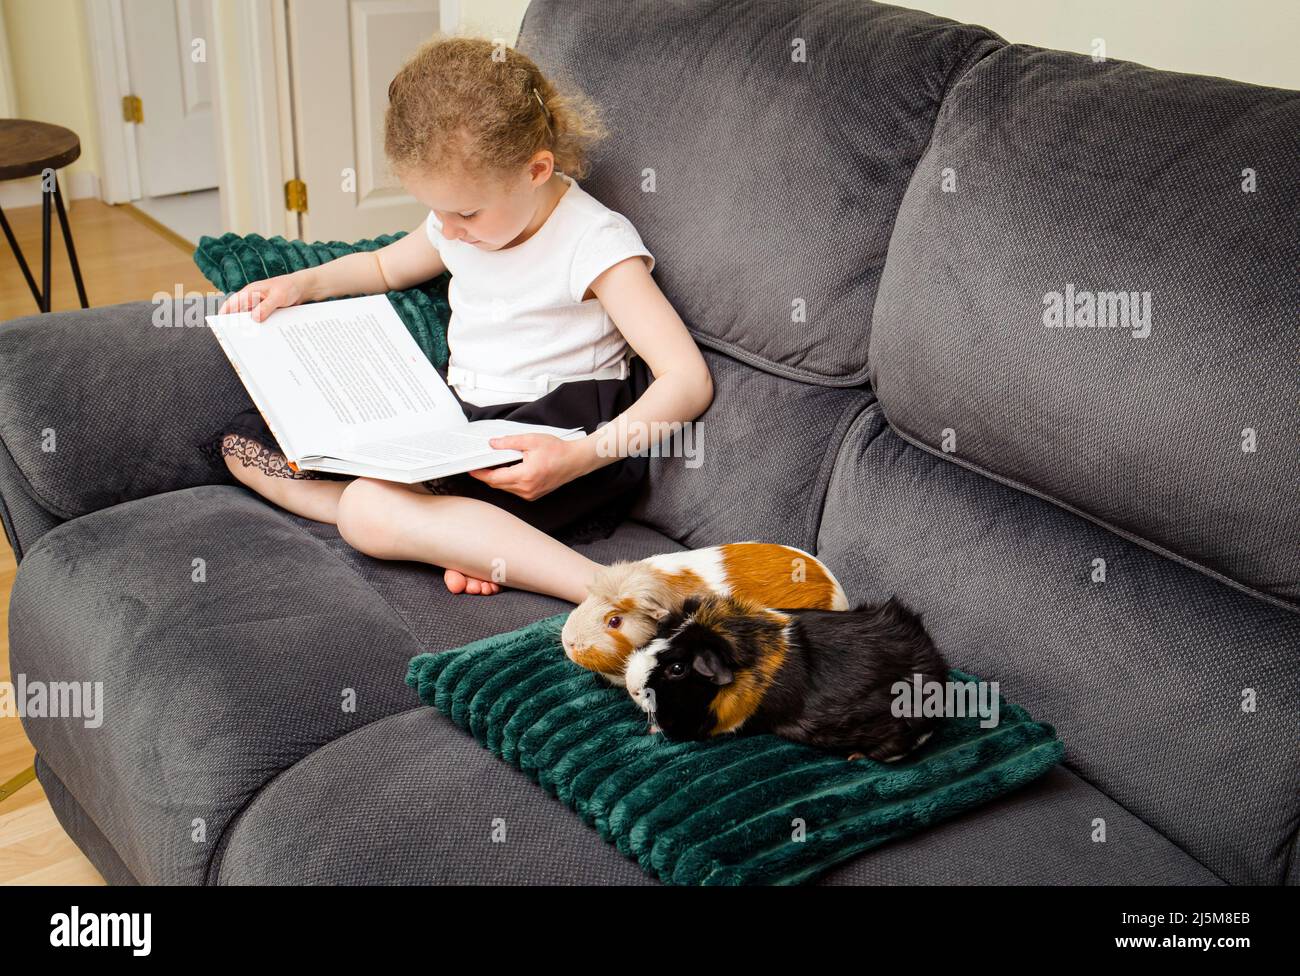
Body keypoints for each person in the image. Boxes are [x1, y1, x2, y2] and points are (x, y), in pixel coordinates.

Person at [204, 36, 712, 604]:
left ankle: (609, 591)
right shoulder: (458, 223)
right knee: (245, 445)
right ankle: (456, 539)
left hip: (552, 441)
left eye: (465, 212)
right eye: (436, 210)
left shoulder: (593, 243)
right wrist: (303, 283)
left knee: (367, 510)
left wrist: (578, 458)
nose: (448, 229)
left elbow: (686, 380)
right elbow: (383, 265)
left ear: (536, 169)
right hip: (461, 425)